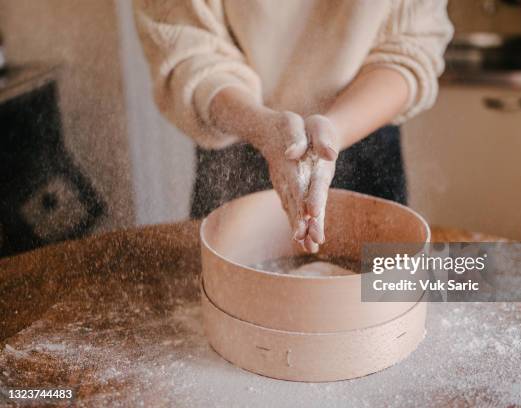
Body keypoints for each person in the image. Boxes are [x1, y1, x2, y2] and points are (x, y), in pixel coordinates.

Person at [134, 0, 453, 253]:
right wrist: (262, 127)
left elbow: (409, 47)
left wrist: (335, 130)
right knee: (221, 301)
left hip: (363, 122)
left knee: (383, 313)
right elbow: (192, 53)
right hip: (239, 130)